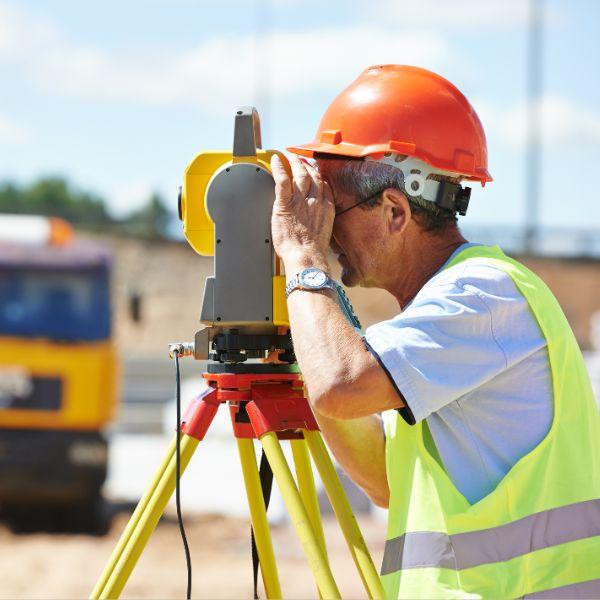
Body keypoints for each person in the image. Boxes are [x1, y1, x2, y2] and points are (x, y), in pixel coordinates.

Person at [270, 65, 600, 599]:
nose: (324, 230)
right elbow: (383, 481)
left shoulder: (485, 296)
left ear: (395, 212)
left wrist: (303, 258)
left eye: (335, 210)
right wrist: (310, 339)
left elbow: (340, 384)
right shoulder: (433, 328)